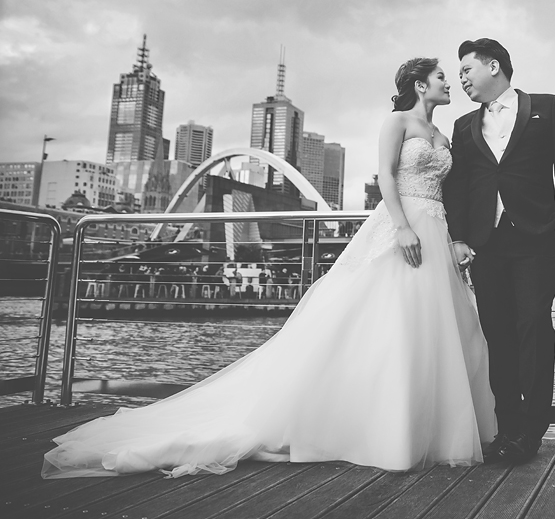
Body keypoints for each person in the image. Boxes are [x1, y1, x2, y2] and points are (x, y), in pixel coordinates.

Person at [41, 58, 495, 479]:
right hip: (405, 228)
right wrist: (400, 227)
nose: (449, 82)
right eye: (441, 77)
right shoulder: (397, 121)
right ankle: (380, 430)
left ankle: (422, 430)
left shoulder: (442, 133)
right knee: (387, 323)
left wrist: (454, 238)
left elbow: (446, 191)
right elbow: (386, 176)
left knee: (430, 330)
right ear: (420, 84)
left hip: (436, 231)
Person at [445, 38, 555, 464]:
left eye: (467, 69)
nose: (462, 78)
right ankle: (508, 429)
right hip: (487, 245)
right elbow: (458, 186)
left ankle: (532, 431)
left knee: (534, 332)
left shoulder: (548, 106)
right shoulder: (464, 126)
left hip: (535, 239)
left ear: (493, 66)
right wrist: (459, 237)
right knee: (498, 336)